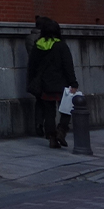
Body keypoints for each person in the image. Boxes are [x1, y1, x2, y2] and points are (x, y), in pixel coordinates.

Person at [27, 17, 78, 148]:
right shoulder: (61, 46)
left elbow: (32, 66)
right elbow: (68, 66)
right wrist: (73, 83)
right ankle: (61, 130)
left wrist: (32, 82)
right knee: (66, 109)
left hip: (45, 84)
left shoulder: (38, 46)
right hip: (62, 83)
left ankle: (52, 137)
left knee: (49, 112)